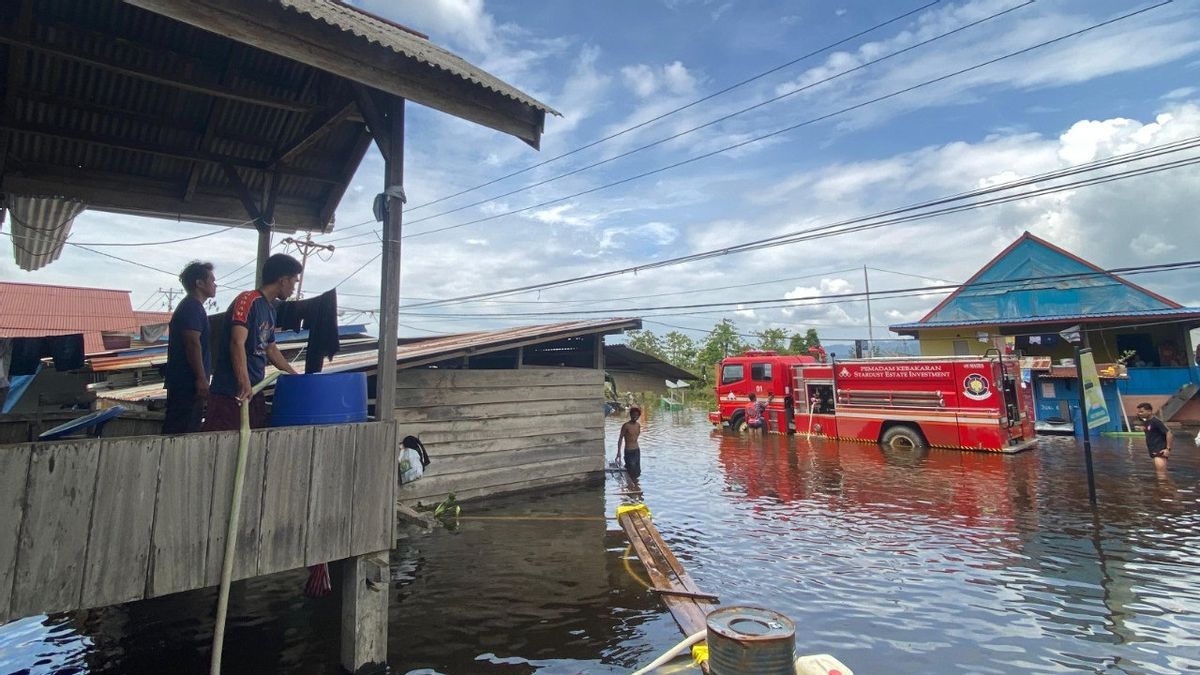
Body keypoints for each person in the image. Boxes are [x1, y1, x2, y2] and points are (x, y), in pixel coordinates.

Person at [203, 254, 301, 431]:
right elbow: (237, 342)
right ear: (283, 280)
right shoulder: (248, 300)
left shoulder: (271, 309)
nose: (294, 287)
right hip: (231, 392)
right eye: (294, 281)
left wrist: (293, 374)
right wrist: (244, 381)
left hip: (254, 391)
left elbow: (271, 348)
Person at [162, 261, 217, 434]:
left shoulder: (195, 308)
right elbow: (192, 344)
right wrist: (201, 378)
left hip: (187, 382)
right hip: (187, 383)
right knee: (181, 431)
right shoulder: (191, 307)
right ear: (199, 283)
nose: (215, 284)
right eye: (212, 280)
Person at [1136, 402, 1172, 470]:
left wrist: (1168, 449)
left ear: (1149, 411)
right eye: (1138, 412)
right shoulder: (1147, 421)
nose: (1139, 413)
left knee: (1162, 475)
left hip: (1160, 452)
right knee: (1160, 474)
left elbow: (1169, 433)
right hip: (1153, 451)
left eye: (1141, 412)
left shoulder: (1156, 421)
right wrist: (1143, 429)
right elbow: (1151, 430)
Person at [615, 407, 642, 479]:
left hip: (636, 450)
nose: (634, 417)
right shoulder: (626, 426)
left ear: (639, 416)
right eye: (633, 415)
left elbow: (635, 437)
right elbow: (620, 438)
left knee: (637, 471)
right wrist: (618, 452)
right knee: (631, 467)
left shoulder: (638, 425)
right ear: (630, 415)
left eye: (636, 415)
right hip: (628, 450)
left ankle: (635, 484)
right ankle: (629, 484)